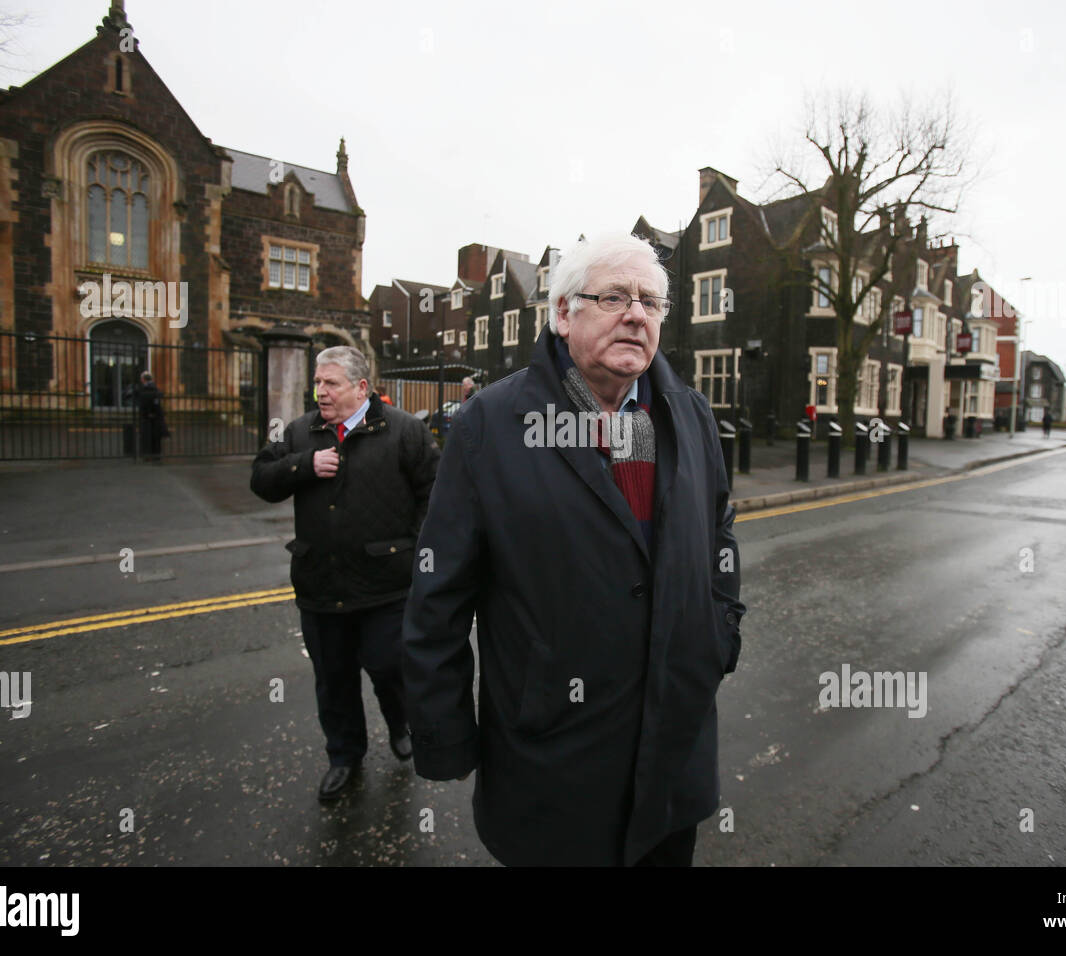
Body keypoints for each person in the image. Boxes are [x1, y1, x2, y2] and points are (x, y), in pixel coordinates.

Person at [402, 233, 745, 866]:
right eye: (613, 296)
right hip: (552, 757)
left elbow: (718, 532)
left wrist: (720, 634)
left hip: (674, 748)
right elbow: (439, 592)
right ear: (563, 314)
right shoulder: (491, 422)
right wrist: (445, 734)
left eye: (650, 301)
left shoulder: (690, 415)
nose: (636, 314)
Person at [251, 346, 441, 801]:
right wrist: (303, 465)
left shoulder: (405, 432)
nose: (321, 392)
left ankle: (400, 725)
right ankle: (344, 757)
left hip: (385, 587)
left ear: (361, 387)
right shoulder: (301, 432)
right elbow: (261, 479)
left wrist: (413, 551)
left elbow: (435, 495)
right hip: (321, 585)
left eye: (330, 383)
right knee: (332, 681)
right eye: (317, 383)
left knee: (387, 667)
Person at [136, 371, 167, 461]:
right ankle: (156, 455)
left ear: (143, 379)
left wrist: (149, 412)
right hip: (155, 417)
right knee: (155, 438)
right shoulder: (155, 388)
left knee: (147, 437)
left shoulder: (146, 388)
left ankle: (148, 455)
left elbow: (145, 401)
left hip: (147, 417)